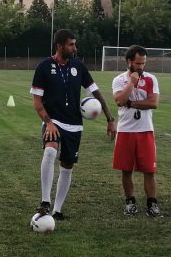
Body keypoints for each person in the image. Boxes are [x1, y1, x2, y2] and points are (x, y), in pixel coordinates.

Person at [30, 29, 116, 221]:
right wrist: (48, 123)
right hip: (54, 121)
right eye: (71, 44)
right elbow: (37, 102)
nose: (74, 48)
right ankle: (45, 201)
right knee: (50, 150)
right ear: (60, 46)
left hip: (75, 125)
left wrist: (110, 119)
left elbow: (96, 93)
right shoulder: (44, 66)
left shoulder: (79, 66)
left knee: (67, 166)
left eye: (74, 44)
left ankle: (57, 210)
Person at [112, 45, 162, 217]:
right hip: (125, 131)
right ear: (129, 62)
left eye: (143, 63)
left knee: (149, 170)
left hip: (145, 130)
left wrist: (132, 103)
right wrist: (132, 83)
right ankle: (130, 202)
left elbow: (153, 103)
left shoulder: (151, 79)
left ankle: (152, 204)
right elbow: (119, 101)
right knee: (126, 170)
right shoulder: (119, 80)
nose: (141, 66)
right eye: (138, 63)